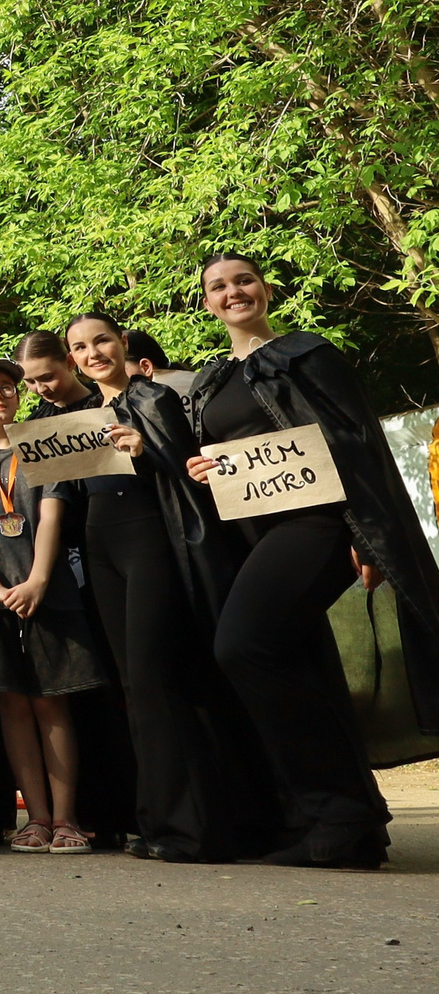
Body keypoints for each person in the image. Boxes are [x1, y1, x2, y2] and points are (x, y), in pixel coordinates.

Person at [183, 253, 439, 869]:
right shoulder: (210, 379)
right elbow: (223, 459)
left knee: (241, 646)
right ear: (207, 303)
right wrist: (203, 467)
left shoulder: (306, 354)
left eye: (243, 280)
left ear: (265, 290)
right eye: (218, 286)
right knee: (296, 663)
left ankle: (339, 812)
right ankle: (344, 823)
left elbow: (356, 442)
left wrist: (365, 535)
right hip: (256, 535)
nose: (233, 291)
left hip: (319, 524)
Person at [58, 315, 273, 862]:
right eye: (80, 348)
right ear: (71, 359)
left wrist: (144, 451)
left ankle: (194, 829)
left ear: (123, 344)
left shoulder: (157, 398)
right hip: (101, 547)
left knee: (159, 682)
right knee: (133, 686)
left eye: (102, 341)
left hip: (152, 542)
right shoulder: (76, 417)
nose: (93, 353)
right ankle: (155, 823)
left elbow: (190, 475)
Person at [0, 359, 110, 856]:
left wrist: (37, 580)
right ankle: (33, 818)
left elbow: (53, 514)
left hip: (47, 593)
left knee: (53, 703)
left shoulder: (40, 441)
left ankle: (65, 817)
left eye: (8, 387)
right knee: (12, 705)